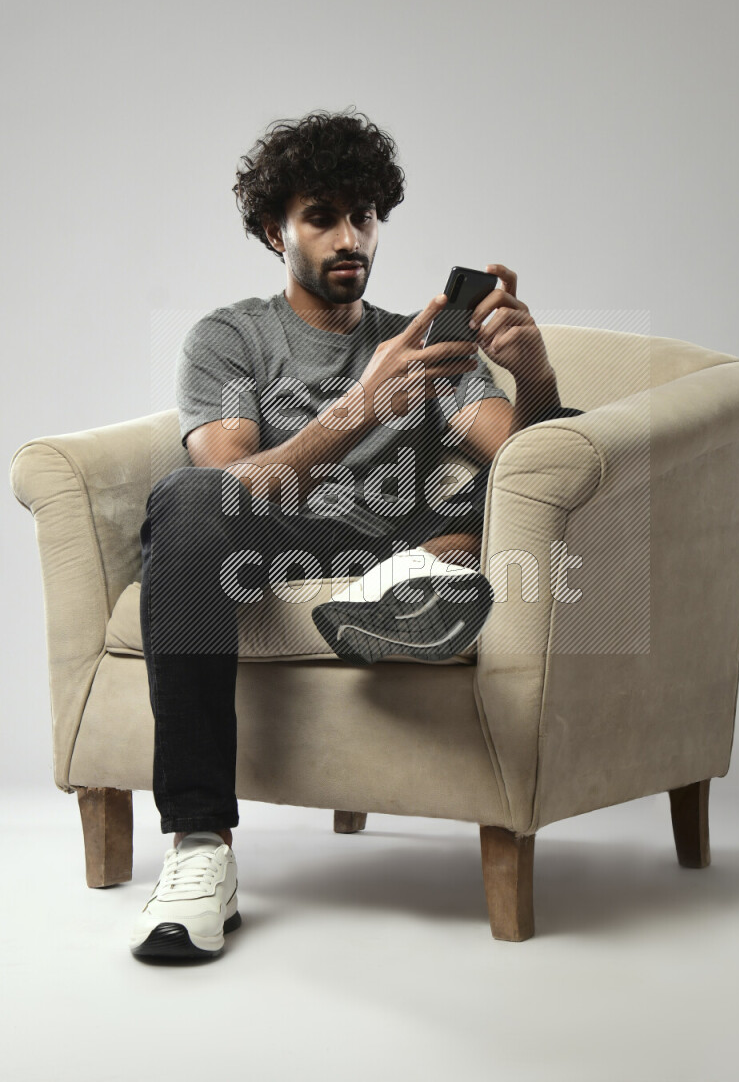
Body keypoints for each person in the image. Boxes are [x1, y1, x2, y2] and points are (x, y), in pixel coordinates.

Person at [130, 108, 583, 961]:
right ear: (276, 232)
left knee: (481, 504)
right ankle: (200, 846)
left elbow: (527, 462)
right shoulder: (231, 340)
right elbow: (231, 483)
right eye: (322, 217)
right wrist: (362, 406)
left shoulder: (427, 350)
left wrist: (533, 374)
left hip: (392, 544)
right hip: (280, 536)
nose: (350, 238)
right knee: (186, 499)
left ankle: (423, 582)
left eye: (364, 216)